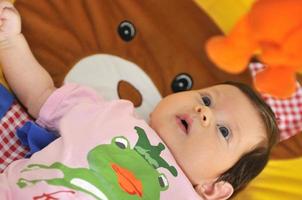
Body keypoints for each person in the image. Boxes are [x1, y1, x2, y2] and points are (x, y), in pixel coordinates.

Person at [0, 1, 279, 199]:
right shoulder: (110, 113)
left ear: (213, 188)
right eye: (206, 99)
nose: (204, 112)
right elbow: (41, 95)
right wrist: (10, 41)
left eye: (224, 131)